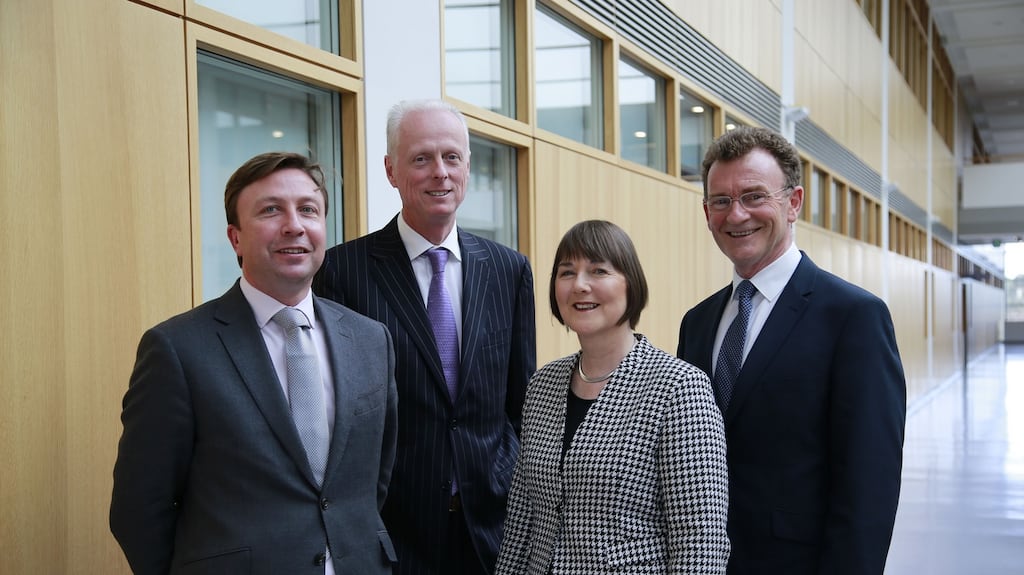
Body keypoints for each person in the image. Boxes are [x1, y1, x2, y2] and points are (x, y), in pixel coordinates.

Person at [110, 152, 399, 574]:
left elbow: (374, 481)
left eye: (308, 210)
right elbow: (139, 506)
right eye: (270, 210)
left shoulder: (372, 340)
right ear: (235, 238)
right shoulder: (177, 349)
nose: (294, 225)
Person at [313, 99, 536, 575]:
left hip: (492, 531)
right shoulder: (340, 272)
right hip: (394, 535)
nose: (440, 172)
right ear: (391, 171)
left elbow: (520, 405)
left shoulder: (509, 270)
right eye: (422, 158)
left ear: (468, 169)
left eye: (452, 157)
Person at [676, 126, 907, 574]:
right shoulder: (697, 323)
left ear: (794, 202)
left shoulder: (853, 317)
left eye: (754, 196)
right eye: (721, 201)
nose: (736, 215)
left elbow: (869, 486)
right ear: (706, 212)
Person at [495, 220, 730, 574]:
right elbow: (521, 522)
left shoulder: (678, 388)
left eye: (598, 270)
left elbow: (700, 543)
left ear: (630, 284)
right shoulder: (543, 385)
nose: (580, 285)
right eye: (567, 272)